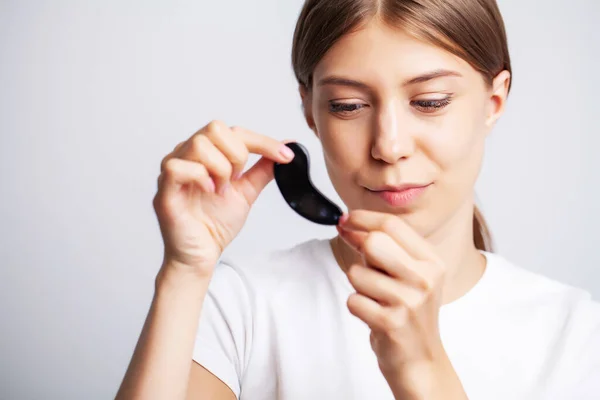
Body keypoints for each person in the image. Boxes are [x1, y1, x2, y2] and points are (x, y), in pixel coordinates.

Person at [116, 0, 600, 399]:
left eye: (429, 101)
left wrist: (422, 370)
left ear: (494, 102)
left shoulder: (577, 336)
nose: (388, 146)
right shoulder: (238, 304)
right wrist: (184, 271)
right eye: (348, 106)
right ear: (310, 111)